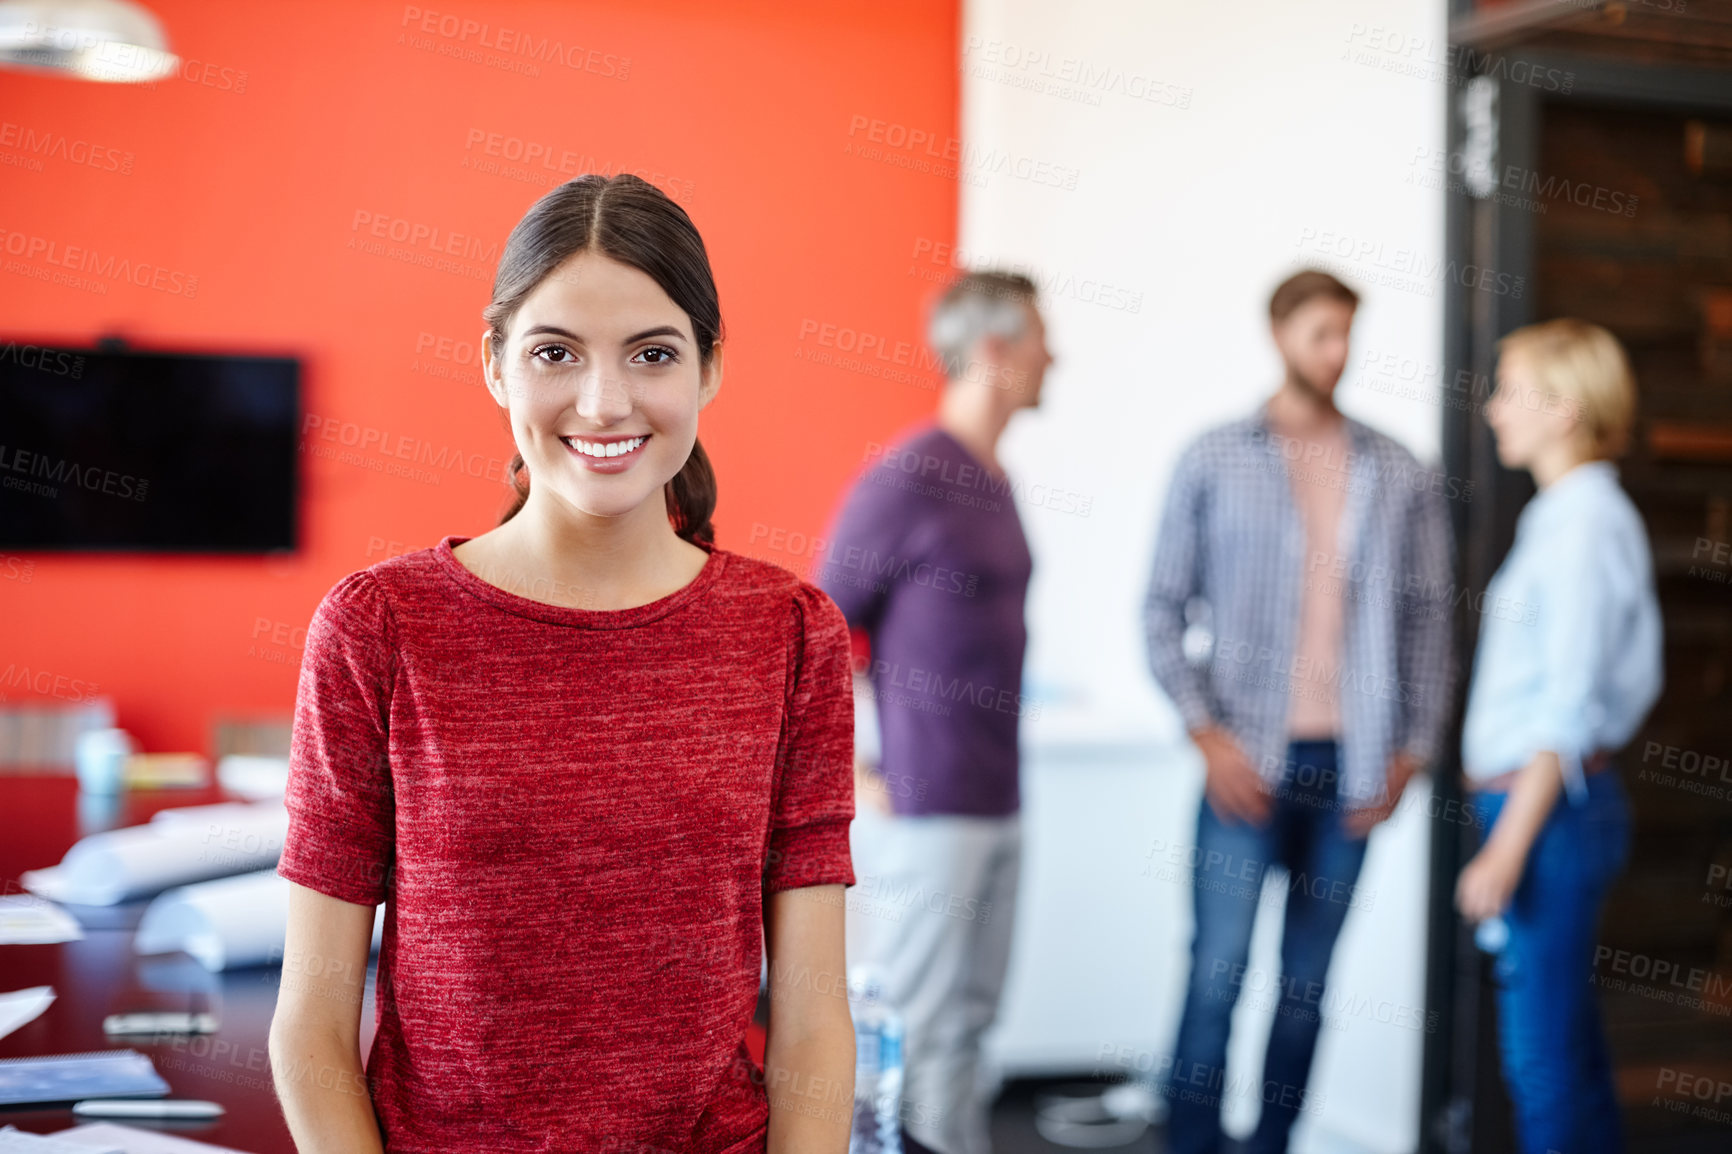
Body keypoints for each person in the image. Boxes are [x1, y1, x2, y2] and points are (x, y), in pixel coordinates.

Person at [267, 174, 857, 1153]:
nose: (604, 400)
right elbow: (312, 1025)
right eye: (554, 352)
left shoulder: (790, 631)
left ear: (709, 368)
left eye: (653, 353)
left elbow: (811, 1023)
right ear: (495, 363)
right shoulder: (380, 627)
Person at [1142, 269, 1455, 1154]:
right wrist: (1207, 737)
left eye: (1348, 333)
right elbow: (1162, 609)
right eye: (1321, 333)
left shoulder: (1398, 471)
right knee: (1216, 976)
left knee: (1307, 988)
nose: (1337, 352)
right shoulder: (1213, 456)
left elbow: (1431, 619)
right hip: (1244, 768)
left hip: (1351, 771)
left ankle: (1272, 1145)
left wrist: (1413, 751)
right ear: (1279, 333)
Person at [816, 270, 1052, 1154]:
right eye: (1037, 337)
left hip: (1001, 798)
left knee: (968, 1030)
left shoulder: (996, 478)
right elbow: (814, 630)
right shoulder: (909, 476)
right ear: (994, 350)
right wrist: (847, 770)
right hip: (924, 808)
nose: (1051, 355)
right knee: (904, 1042)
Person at [1455, 319, 1661, 1154]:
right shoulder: (1569, 516)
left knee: (1540, 1065)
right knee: (1566, 1056)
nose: (1494, 407)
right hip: (1553, 814)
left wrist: (1506, 849)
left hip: (1547, 819)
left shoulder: (1582, 526)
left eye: (1510, 388)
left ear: (1564, 408)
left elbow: (1568, 710)